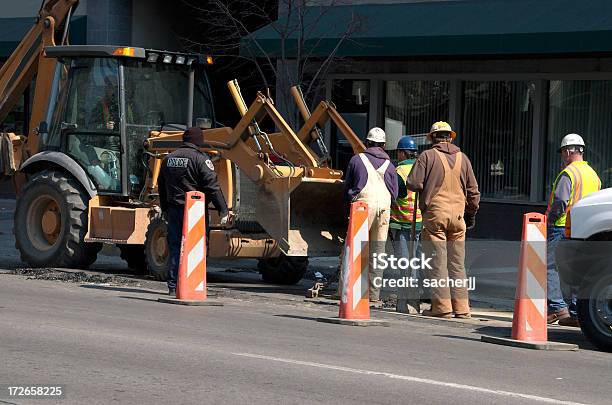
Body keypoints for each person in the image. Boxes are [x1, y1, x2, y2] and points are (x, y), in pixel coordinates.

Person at [406, 121, 480, 318]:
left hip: (435, 216)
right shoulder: (463, 158)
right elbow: (473, 192)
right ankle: (462, 309)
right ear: (450, 137)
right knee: (457, 264)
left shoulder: (427, 156)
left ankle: (442, 308)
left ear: (431, 138)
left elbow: (412, 183)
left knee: (437, 262)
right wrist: (470, 215)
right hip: (458, 217)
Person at [158, 127, 230, 296]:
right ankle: (193, 284)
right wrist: (223, 210)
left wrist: (165, 208)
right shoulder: (200, 159)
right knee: (196, 247)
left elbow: (162, 187)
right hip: (194, 211)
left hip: (174, 209)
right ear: (199, 141)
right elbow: (212, 187)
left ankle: (174, 286)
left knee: (176, 247)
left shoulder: (168, 159)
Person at [546, 133, 600, 327]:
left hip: (561, 226)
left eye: (563, 153)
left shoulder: (569, 173)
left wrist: (550, 220)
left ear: (569, 151)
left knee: (549, 266)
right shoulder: (593, 174)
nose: (562, 156)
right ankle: (577, 313)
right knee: (579, 270)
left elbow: (560, 200)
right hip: (584, 229)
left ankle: (556, 308)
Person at [342, 127, 398, 307]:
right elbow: (394, 192)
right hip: (384, 207)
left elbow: (347, 188)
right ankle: (373, 295)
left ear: (367, 143)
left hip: (362, 207)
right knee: (377, 251)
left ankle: (349, 291)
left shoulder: (356, 160)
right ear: (383, 145)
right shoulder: (390, 165)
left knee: (355, 249)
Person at [390, 136, 422, 313]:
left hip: (402, 223)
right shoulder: (422, 168)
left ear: (402, 153)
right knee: (415, 262)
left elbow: (396, 195)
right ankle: (414, 300)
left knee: (405, 263)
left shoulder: (399, 171)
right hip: (418, 222)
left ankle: (405, 302)